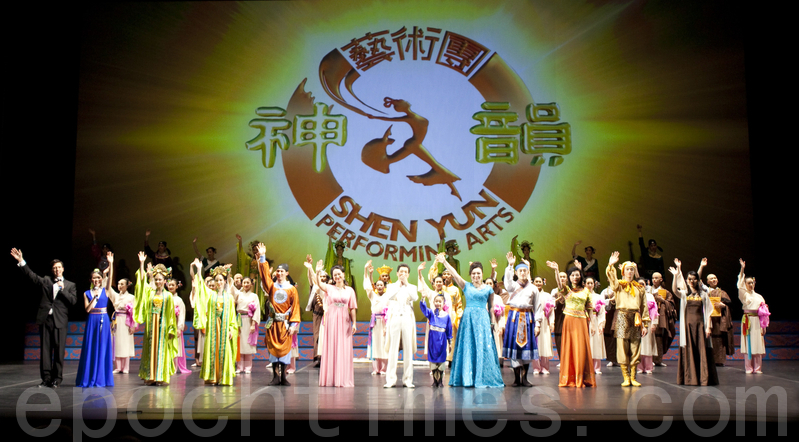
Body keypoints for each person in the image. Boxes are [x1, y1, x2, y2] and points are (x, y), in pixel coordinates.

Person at [12, 248, 77, 388]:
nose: (57, 269)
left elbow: (73, 301)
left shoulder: (70, 285)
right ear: (52, 270)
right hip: (46, 319)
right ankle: (46, 378)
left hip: (60, 321)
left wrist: (62, 289)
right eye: (54, 268)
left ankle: (57, 379)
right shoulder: (47, 281)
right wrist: (21, 261)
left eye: (59, 267)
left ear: (63, 269)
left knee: (59, 351)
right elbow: (32, 276)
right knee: (45, 350)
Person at [437, 253, 504, 388]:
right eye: (473, 273)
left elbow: (491, 308)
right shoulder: (466, 286)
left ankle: (482, 377)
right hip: (468, 321)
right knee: (468, 347)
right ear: (470, 275)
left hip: (483, 321)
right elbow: (455, 274)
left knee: (483, 347)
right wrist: (444, 262)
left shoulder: (488, 289)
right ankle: (467, 378)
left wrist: (492, 323)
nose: (476, 276)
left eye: (478, 273)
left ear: (482, 274)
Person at [307, 258, 358, 387]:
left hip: (345, 319)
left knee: (343, 347)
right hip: (332, 319)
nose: (337, 276)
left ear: (343, 274)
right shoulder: (329, 288)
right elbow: (318, 283)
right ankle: (331, 378)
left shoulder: (350, 290)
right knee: (332, 346)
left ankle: (343, 378)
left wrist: (354, 323)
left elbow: (352, 308)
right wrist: (317, 271)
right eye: (335, 275)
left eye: (339, 274)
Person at [669, 259, 718, 385]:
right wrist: (675, 276)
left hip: (700, 326)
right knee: (690, 349)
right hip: (688, 327)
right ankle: (691, 378)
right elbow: (675, 290)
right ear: (686, 280)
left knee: (701, 349)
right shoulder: (685, 294)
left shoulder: (703, 295)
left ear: (698, 280)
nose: (692, 281)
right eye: (689, 279)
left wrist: (708, 327)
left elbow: (708, 311)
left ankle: (703, 378)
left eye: (694, 279)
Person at [257, 243, 300, 386]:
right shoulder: (272, 287)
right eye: (277, 271)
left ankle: (283, 377)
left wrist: (293, 325)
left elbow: (295, 307)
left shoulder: (292, 289)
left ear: (287, 273)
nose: (279, 273)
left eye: (282, 271)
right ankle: (275, 377)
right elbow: (265, 276)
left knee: (285, 351)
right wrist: (262, 257)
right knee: (274, 351)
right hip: (273, 323)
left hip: (285, 325)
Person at [606, 251, 651, 387]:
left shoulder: (640, 288)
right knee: (622, 347)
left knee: (635, 347)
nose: (630, 272)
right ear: (623, 271)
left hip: (635, 317)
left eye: (632, 269)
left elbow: (644, 306)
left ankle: (633, 377)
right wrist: (610, 266)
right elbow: (612, 282)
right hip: (622, 316)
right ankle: (625, 376)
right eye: (627, 269)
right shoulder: (619, 285)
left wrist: (645, 324)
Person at [548, 261, 595, 388]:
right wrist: (556, 270)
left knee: (581, 349)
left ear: (581, 276)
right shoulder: (567, 290)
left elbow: (590, 309)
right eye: (572, 275)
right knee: (570, 348)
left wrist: (593, 324)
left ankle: (581, 377)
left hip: (581, 321)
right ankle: (570, 377)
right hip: (569, 321)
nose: (575, 277)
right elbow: (559, 284)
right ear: (569, 277)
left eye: (577, 275)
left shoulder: (586, 291)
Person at [134, 251, 178, 385]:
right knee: (150, 349)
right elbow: (142, 283)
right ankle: (150, 376)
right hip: (151, 325)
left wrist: (171, 329)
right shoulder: (150, 293)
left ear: (165, 281)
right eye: (156, 279)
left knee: (161, 350)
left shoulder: (168, 296)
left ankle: (160, 376)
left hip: (162, 326)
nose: (158, 281)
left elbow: (171, 314)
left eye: (160, 279)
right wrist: (141, 264)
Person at [193, 260, 238, 385]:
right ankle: (212, 376)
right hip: (213, 328)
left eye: (221, 280)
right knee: (212, 350)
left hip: (224, 327)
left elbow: (232, 316)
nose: (219, 282)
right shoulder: (211, 295)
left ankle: (223, 377)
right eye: (217, 280)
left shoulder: (229, 297)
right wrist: (199, 270)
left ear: (225, 281)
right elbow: (201, 287)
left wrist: (231, 328)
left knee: (224, 350)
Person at [375, 263, 418, 388]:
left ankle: (408, 379)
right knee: (393, 349)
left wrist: (406, 284)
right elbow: (390, 296)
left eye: (405, 272)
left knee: (408, 349)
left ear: (408, 274)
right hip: (395, 318)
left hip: (407, 318)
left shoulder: (412, 287)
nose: (403, 274)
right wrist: (399, 285)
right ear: (397, 273)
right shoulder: (391, 286)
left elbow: (415, 297)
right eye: (401, 272)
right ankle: (391, 379)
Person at [502, 252, 539, 387]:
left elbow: (538, 307)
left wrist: (538, 324)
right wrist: (510, 266)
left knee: (527, 348)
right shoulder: (513, 286)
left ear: (528, 272)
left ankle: (525, 379)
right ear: (516, 273)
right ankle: (517, 379)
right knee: (515, 348)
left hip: (528, 318)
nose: (523, 273)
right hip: (514, 318)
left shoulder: (533, 288)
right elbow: (507, 282)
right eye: (520, 271)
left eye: (525, 270)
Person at [75, 268, 114, 387]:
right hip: (92, 320)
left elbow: (110, 278)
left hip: (103, 319)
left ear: (101, 279)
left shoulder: (106, 291)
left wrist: (111, 263)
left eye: (98, 277)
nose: (96, 280)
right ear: (91, 280)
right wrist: (94, 298)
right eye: (94, 278)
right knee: (90, 347)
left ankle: (101, 378)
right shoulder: (86, 293)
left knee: (102, 347)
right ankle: (89, 376)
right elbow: (87, 309)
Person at [697, 260, 734, 366]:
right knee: (709, 339)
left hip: (720, 320)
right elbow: (697, 280)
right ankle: (709, 360)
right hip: (708, 318)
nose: (714, 280)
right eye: (711, 278)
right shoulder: (706, 291)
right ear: (707, 281)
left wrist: (724, 305)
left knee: (719, 339)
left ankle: (720, 360)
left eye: (715, 278)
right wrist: (701, 266)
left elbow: (729, 304)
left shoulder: (722, 292)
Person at [105, 253, 136, 374]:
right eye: (118, 284)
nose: (120, 285)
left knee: (126, 342)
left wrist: (133, 325)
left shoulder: (131, 297)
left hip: (126, 322)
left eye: (122, 284)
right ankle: (118, 367)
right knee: (116, 342)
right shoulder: (116, 296)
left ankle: (126, 367)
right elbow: (108, 287)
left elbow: (134, 312)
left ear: (127, 285)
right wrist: (110, 265)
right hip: (117, 320)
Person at [737, 259, 768, 374]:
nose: (751, 285)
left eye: (752, 283)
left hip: (757, 321)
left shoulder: (759, 297)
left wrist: (764, 326)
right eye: (748, 283)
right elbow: (739, 285)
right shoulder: (744, 295)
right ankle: (748, 367)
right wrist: (742, 269)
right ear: (745, 284)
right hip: (748, 320)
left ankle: (758, 368)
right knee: (748, 343)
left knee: (758, 343)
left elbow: (764, 313)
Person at [419, 293, 453, 387]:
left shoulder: (446, 316)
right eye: (436, 301)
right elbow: (424, 309)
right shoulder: (431, 313)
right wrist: (423, 299)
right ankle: (435, 381)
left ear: (443, 303)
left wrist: (450, 342)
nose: (438, 303)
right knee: (433, 361)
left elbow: (449, 330)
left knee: (441, 361)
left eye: (440, 301)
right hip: (432, 341)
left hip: (442, 341)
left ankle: (440, 381)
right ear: (434, 302)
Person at [364, 261, 389, 375]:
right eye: (377, 285)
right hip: (375, 322)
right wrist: (368, 273)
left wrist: (387, 325)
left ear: (384, 286)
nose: (379, 287)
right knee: (375, 344)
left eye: (381, 285)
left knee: (383, 343)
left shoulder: (387, 296)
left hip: (384, 322)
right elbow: (368, 287)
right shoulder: (372, 296)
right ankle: (375, 368)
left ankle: (383, 368)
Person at [234, 276, 260, 374]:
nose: (246, 284)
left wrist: (253, 324)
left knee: (248, 344)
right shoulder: (238, 294)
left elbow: (257, 311)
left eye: (248, 282)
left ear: (251, 284)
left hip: (249, 320)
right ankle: (239, 367)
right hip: (239, 320)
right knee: (239, 343)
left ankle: (248, 367)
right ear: (241, 283)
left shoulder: (254, 296)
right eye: (244, 282)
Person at [305, 259, 329, 368]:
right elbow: (311, 279)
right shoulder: (315, 287)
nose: (323, 278)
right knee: (317, 336)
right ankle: (318, 358)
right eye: (321, 276)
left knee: (326, 337)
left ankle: (327, 358)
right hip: (317, 315)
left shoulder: (328, 288)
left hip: (327, 315)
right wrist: (310, 268)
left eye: (324, 277)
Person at [650, 272, 676, 367]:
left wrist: (663, 301)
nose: (654, 280)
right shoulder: (648, 291)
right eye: (653, 278)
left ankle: (658, 359)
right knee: (650, 337)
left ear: (661, 279)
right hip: (650, 316)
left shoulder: (665, 292)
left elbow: (671, 305)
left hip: (661, 317)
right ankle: (650, 360)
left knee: (659, 337)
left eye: (656, 278)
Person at [532, 276, 554, 375]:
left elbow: (551, 310)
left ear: (543, 282)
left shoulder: (547, 295)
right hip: (533, 321)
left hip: (545, 321)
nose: (538, 283)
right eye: (536, 281)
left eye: (539, 281)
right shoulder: (531, 294)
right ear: (533, 283)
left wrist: (552, 322)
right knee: (535, 344)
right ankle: (536, 367)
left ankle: (545, 367)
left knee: (545, 343)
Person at [639, 278, 660, 374]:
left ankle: (648, 367)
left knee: (647, 345)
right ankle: (639, 367)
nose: (641, 285)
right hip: (637, 322)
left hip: (648, 322)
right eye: (639, 284)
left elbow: (655, 310)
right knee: (638, 346)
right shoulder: (633, 295)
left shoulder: (649, 296)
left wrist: (654, 323)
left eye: (642, 284)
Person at [170, 280, 191, 374]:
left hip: (175, 325)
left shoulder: (179, 300)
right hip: (166, 325)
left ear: (176, 286)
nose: (170, 286)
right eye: (169, 285)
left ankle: (174, 367)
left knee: (176, 346)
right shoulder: (165, 297)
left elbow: (181, 315)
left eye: (172, 285)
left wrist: (179, 327)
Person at [587, 277, 607, 374]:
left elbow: (602, 312)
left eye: (591, 283)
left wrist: (601, 324)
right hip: (585, 320)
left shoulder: (598, 297)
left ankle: (597, 367)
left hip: (595, 319)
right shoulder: (582, 296)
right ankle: (587, 367)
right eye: (588, 283)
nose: (590, 285)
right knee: (587, 343)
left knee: (596, 343)